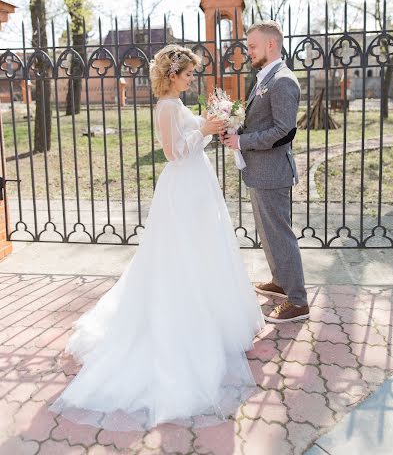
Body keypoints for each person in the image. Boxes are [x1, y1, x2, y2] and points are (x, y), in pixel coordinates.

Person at [49, 44, 264, 431]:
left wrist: (213, 123)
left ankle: (210, 316)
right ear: (172, 75)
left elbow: (193, 137)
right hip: (182, 187)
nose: (191, 78)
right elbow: (172, 152)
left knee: (202, 253)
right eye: (187, 74)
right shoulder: (166, 107)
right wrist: (204, 128)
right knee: (180, 257)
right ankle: (183, 319)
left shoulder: (177, 104)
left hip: (197, 184)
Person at [222, 21, 309, 323]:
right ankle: (281, 282)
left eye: (252, 46)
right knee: (269, 234)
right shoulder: (265, 78)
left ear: (271, 44)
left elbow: (285, 131)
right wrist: (235, 128)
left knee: (280, 236)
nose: (248, 51)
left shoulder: (283, 80)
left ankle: (298, 301)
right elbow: (263, 122)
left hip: (273, 173)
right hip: (259, 171)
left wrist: (242, 140)